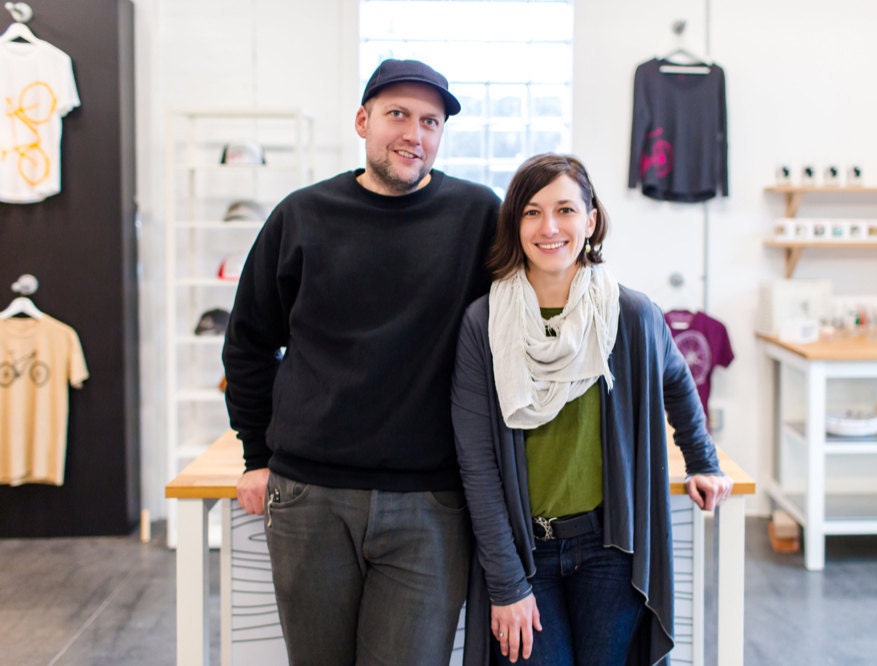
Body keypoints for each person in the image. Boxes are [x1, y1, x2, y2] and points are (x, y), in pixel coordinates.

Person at [222, 59, 500, 665]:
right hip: (309, 496)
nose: (414, 134)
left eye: (430, 121)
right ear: (362, 121)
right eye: (397, 114)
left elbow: (539, 296)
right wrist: (256, 456)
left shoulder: (477, 216)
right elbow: (248, 341)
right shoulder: (301, 215)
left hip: (431, 503)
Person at [451, 153, 733, 665]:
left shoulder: (629, 314)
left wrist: (703, 461)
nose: (549, 227)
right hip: (526, 554)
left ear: (591, 219)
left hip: (611, 551)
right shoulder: (485, 322)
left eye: (565, 210)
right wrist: (506, 582)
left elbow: (676, 377)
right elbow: (478, 465)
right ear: (514, 224)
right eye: (532, 212)